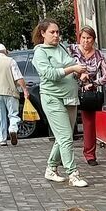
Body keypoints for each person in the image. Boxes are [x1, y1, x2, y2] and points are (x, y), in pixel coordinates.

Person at [31, 19, 88, 188]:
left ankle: (51, 168)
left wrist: (80, 74)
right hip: (52, 98)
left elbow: (71, 64)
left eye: (57, 32)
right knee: (65, 138)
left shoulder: (61, 47)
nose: (56, 35)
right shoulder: (40, 52)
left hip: (69, 97)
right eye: (52, 32)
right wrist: (73, 70)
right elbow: (50, 74)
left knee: (63, 137)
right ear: (42, 34)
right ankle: (73, 174)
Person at [72, 26, 106, 166]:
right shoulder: (72, 51)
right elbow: (63, 66)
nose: (85, 41)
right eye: (83, 38)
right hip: (70, 89)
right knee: (66, 124)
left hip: (87, 92)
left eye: (88, 38)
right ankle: (61, 156)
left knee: (88, 124)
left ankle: (90, 155)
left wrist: (94, 83)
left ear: (93, 40)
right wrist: (77, 73)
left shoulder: (98, 55)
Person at [0, 43, 29, 146]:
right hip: (10, 91)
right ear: (6, 51)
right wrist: (25, 90)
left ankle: (2, 139)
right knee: (13, 114)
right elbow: (18, 77)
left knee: (0, 116)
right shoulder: (10, 61)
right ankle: (12, 129)